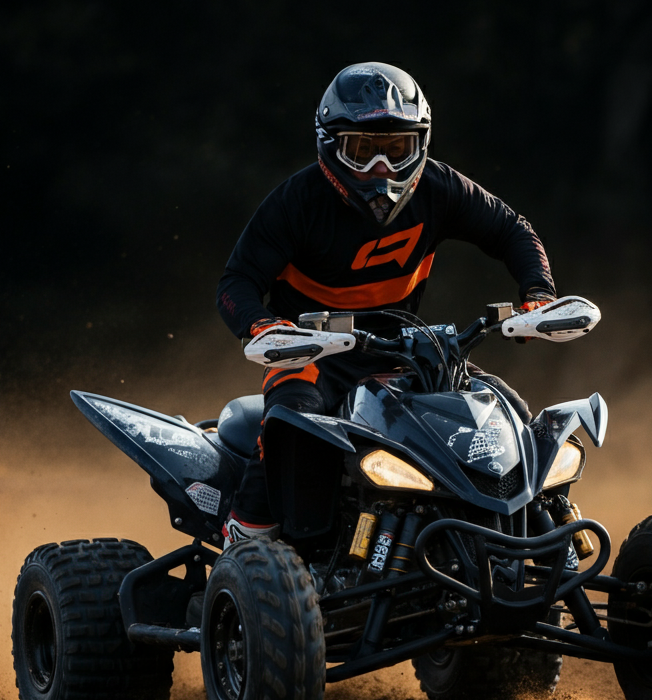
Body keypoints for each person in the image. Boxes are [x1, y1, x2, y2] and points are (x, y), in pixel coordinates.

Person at [216, 61, 557, 546]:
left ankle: (536, 544)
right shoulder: (295, 202)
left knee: (513, 418)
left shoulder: (440, 187)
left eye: (398, 149)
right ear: (330, 145)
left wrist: (538, 296)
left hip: (405, 351)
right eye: (363, 150)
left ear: (421, 143)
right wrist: (264, 327)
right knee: (291, 426)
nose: (382, 168)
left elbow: (512, 230)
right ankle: (245, 538)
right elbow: (236, 282)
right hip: (311, 356)